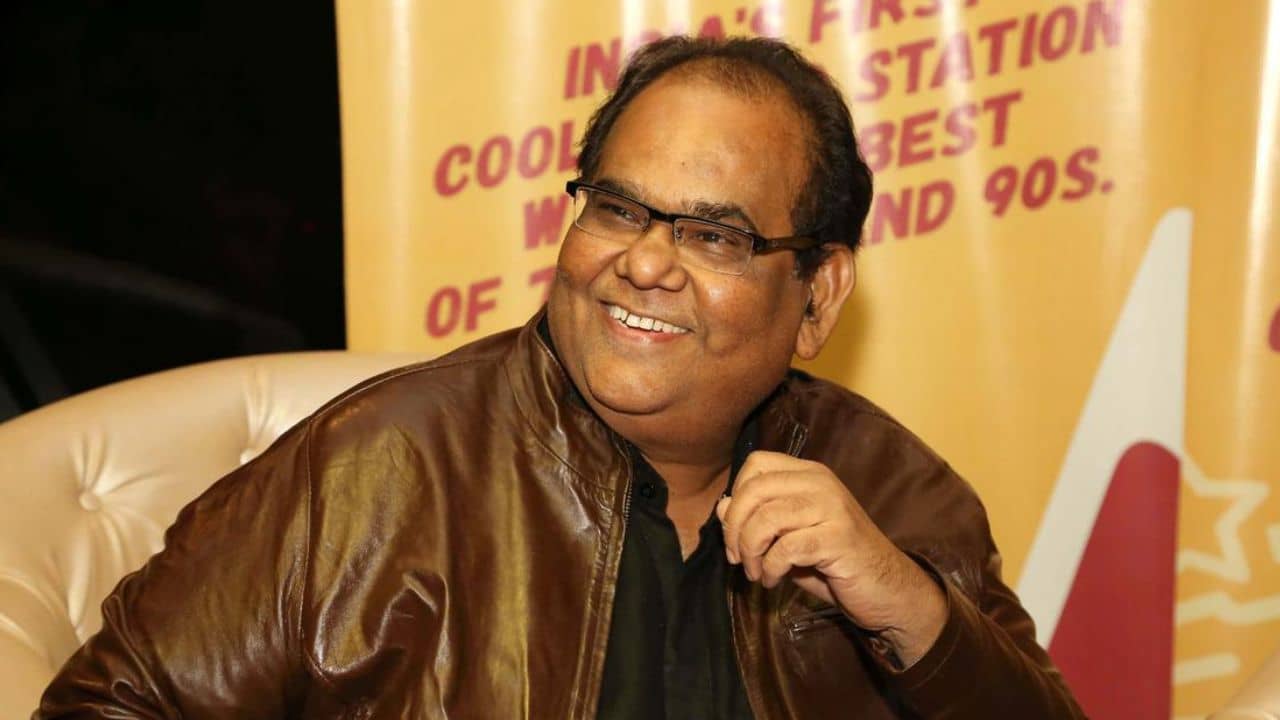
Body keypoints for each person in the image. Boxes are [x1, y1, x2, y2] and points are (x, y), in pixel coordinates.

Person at [36, 36, 1085, 719]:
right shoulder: (378, 470)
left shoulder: (892, 493)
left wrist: (908, 610)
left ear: (817, 296)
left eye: (714, 235)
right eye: (618, 209)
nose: (643, 262)